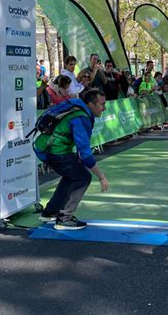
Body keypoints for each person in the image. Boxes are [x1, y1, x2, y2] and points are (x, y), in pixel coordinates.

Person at [35, 90, 109, 230]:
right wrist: (101, 176)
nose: (104, 107)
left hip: (47, 147)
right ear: (91, 104)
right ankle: (65, 218)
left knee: (72, 174)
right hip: (54, 150)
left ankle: (50, 212)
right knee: (83, 177)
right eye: (102, 104)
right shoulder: (81, 117)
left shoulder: (78, 109)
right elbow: (85, 154)